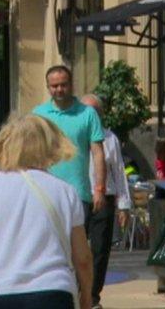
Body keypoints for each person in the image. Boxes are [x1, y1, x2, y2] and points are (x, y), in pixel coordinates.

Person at [0, 114, 93, 309]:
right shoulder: (65, 191)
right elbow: (82, 258)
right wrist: (86, 299)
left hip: (0, 294)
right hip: (54, 292)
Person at [32, 65, 107, 229]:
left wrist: (100, 189)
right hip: (45, 194)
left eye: (63, 84)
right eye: (54, 86)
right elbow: (31, 153)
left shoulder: (87, 114)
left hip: (78, 194)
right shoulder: (38, 114)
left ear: (71, 85)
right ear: (48, 87)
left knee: (76, 249)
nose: (59, 89)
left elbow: (98, 154)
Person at [80, 94, 131, 309]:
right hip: (79, 198)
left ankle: (92, 296)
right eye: (86, 111)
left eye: (95, 111)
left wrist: (124, 204)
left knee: (100, 249)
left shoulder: (110, 139)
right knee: (75, 248)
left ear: (101, 114)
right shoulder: (74, 136)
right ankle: (75, 292)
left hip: (105, 198)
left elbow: (119, 172)